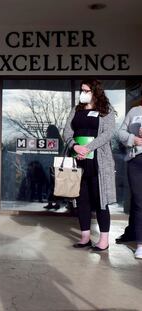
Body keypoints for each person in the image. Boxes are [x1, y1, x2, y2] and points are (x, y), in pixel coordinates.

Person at [63, 79, 116, 251]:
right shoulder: (76, 110)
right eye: (81, 90)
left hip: (98, 162)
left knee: (101, 201)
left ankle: (104, 240)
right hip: (78, 160)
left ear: (95, 92)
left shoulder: (105, 110)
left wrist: (87, 148)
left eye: (86, 90)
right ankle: (85, 237)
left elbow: (108, 133)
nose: (82, 93)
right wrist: (74, 146)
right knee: (82, 200)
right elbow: (67, 131)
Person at [117, 101, 142, 258]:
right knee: (140, 202)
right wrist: (133, 138)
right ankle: (140, 244)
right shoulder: (135, 111)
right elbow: (120, 133)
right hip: (135, 162)